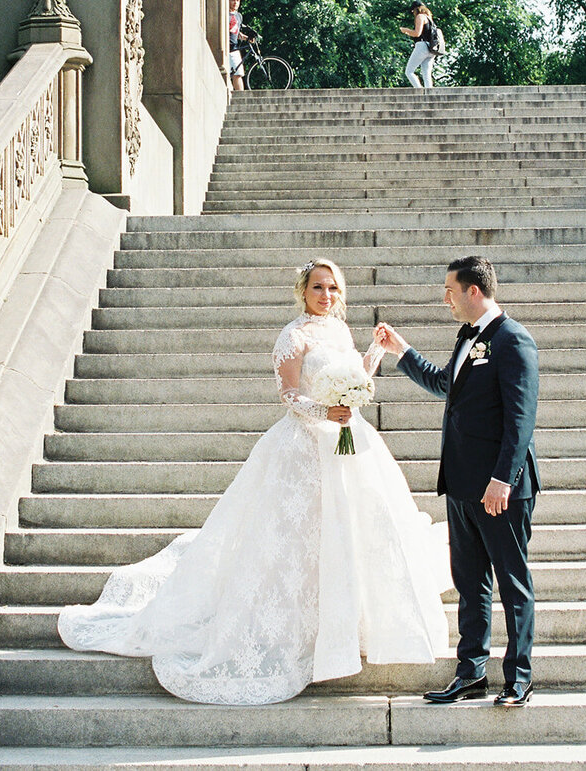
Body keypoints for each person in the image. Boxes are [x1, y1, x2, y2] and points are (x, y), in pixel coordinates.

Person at [58, 258, 450, 705]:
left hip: (347, 444)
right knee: (299, 541)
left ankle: (349, 629)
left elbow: (354, 379)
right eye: (319, 287)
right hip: (303, 447)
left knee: (351, 535)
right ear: (304, 290)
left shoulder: (339, 332)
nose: (327, 296)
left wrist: (375, 354)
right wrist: (325, 412)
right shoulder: (293, 336)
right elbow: (289, 394)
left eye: (334, 289)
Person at [376, 255, 540, 707]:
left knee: (512, 583)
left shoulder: (513, 341)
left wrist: (502, 480)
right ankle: (470, 673)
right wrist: (402, 352)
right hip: (463, 486)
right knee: (470, 584)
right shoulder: (466, 338)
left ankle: (519, 678)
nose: (445, 298)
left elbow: (521, 420)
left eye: (450, 290)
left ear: (473, 291)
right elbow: (449, 384)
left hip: (500, 490)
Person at [401, 0, 442, 88]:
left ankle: (419, 90)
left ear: (416, 9)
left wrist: (406, 31)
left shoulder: (420, 17)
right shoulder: (429, 19)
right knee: (426, 74)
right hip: (432, 48)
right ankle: (429, 94)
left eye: (413, 11)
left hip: (422, 46)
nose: (413, 13)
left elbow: (417, 33)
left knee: (409, 71)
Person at [228, 0, 249, 91]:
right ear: (228, 1)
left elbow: (237, 32)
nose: (235, 2)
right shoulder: (224, 14)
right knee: (232, 73)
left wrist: (246, 38)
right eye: (233, 0)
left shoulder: (238, 16)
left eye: (237, 0)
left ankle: (241, 95)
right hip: (225, 47)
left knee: (238, 72)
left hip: (234, 47)